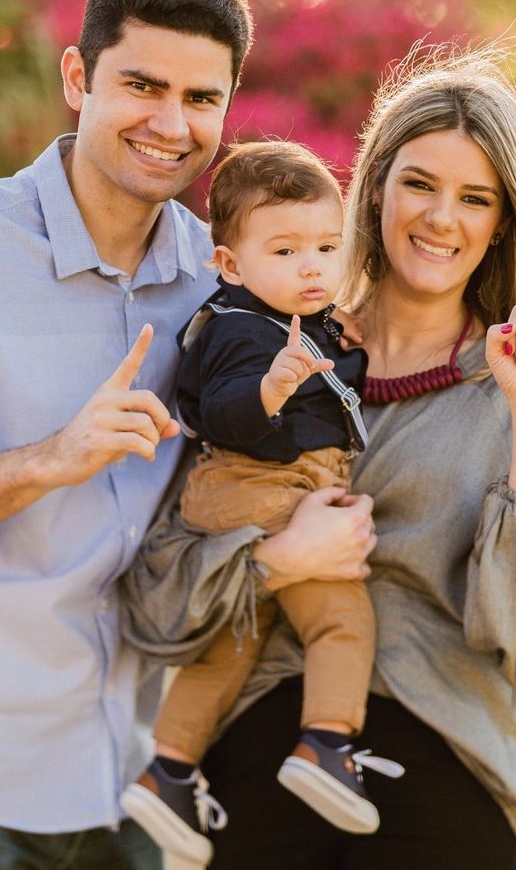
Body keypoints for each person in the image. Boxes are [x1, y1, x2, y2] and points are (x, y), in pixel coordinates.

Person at [0, 0, 375, 870]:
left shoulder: (225, 275)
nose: (171, 124)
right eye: (143, 85)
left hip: (126, 776)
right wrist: (51, 458)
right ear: (78, 79)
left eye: (201, 99)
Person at [123, 48, 516, 869]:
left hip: (449, 752)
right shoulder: (269, 344)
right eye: (420, 184)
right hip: (263, 739)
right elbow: (158, 597)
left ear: (500, 221)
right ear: (377, 187)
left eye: (474, 198)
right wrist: (275, 562)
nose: (440, 218)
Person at [121, 142, 398, 866]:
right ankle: (327, 745)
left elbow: (329, 378)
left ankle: (169, 771)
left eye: (325, 246)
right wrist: (269, 389)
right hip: (258, 484)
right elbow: (226, 410)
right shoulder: (240, 331)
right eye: (284, 250)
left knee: (234, 637)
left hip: (250, 491)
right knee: (340, 621)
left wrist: (348, 346)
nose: (311, 266)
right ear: (230, 266)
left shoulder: (295, 320)